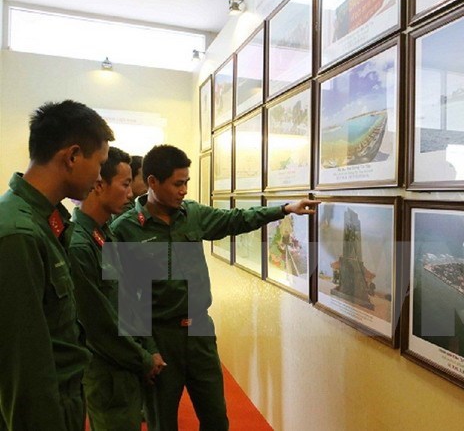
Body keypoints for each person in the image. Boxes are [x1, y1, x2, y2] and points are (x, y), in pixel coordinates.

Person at [111, 144, 318, 431]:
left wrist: (283, 210)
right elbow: (123, 298)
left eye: (186, 182)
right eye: (177, 184)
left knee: (216, 419)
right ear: (153, 182)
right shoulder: (124, 229)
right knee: (162, 422)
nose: (184, 190)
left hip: (199, 332)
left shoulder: (192, 215)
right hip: (160, 336)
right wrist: (147, 350)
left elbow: (236, 220)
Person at [0, 100, 113, 430]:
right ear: (73, 156)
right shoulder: (18, 234)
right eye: (99, 164)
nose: (99, 178)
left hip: (66, 400)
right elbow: (24, 373)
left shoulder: (45, 221)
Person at [68, 147, 166, 430]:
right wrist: (144, 359)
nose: (131, 193)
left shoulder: (104, 235)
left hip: (127, 364)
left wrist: (149, 349)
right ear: (100, 186)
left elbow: (128, 298)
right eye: (125, 185)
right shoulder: (79, 245)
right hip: (108, 373)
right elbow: (99, 325)